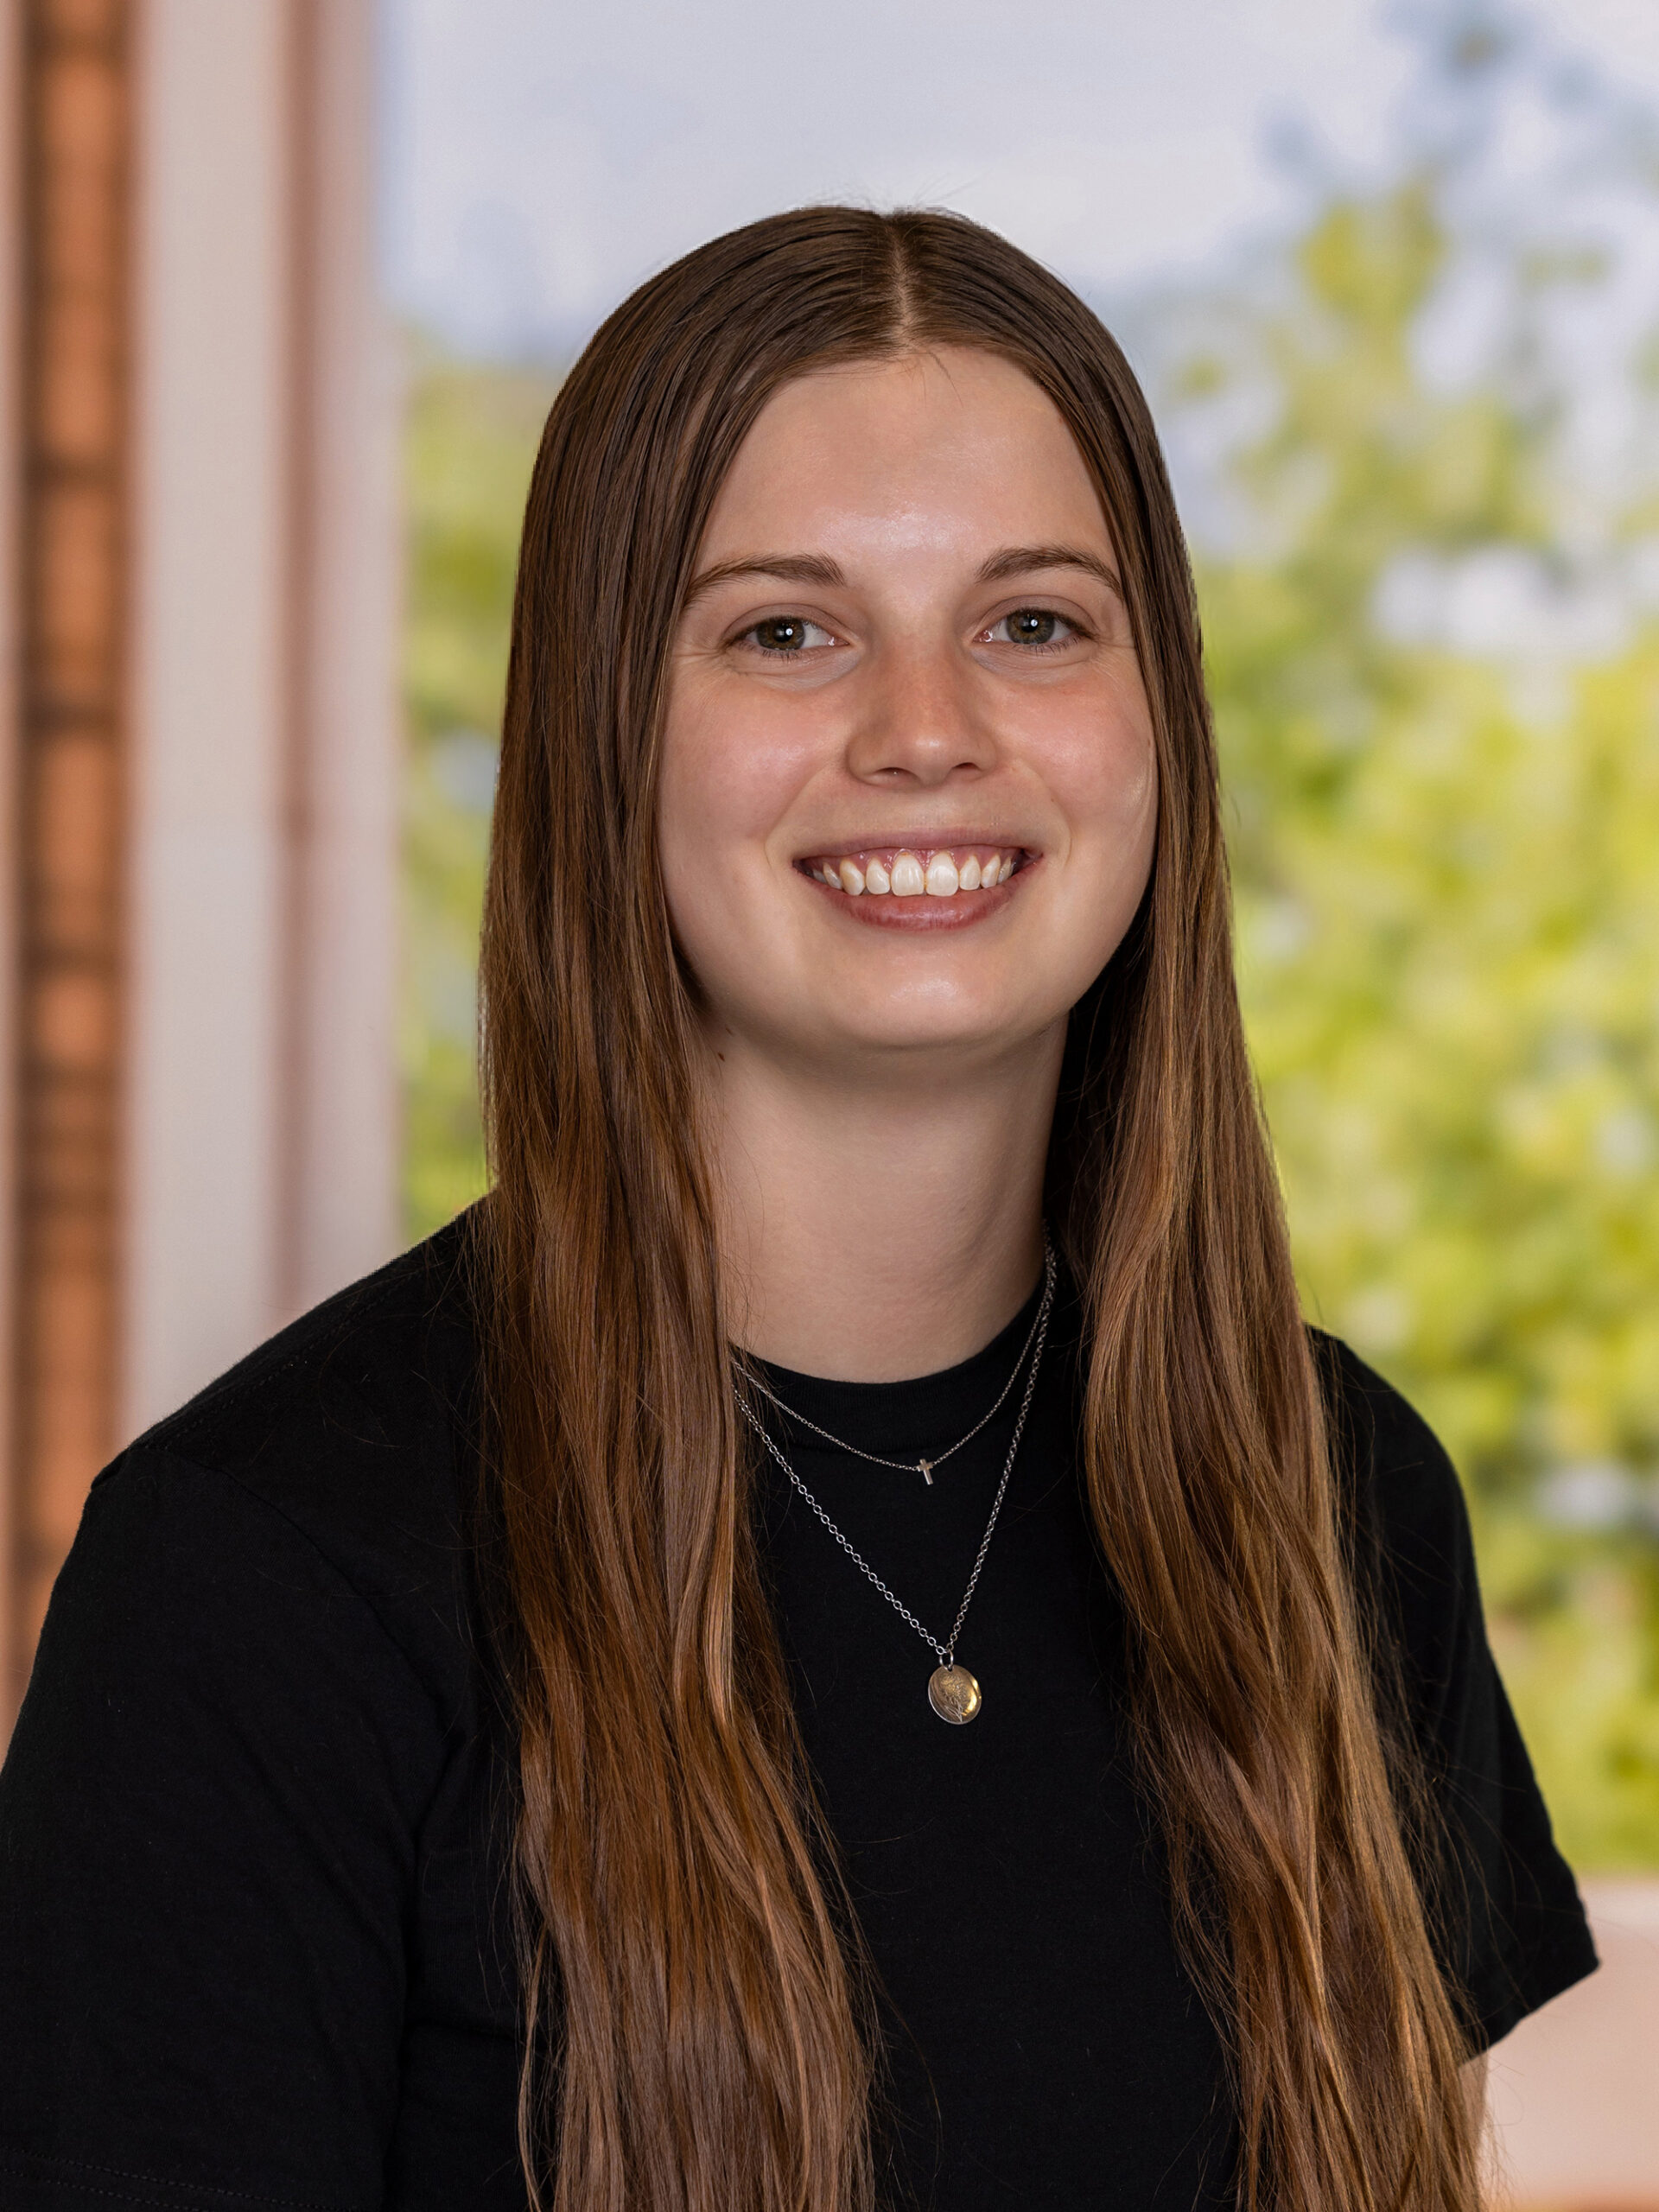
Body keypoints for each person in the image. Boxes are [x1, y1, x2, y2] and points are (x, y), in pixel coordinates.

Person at [0, 207, 1595, 2212]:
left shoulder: (1336, 1492)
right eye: (786, 628)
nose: (925, 729)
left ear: (1159, 721)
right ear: (605, 731)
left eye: (1034, 621)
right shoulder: (254, 1582)